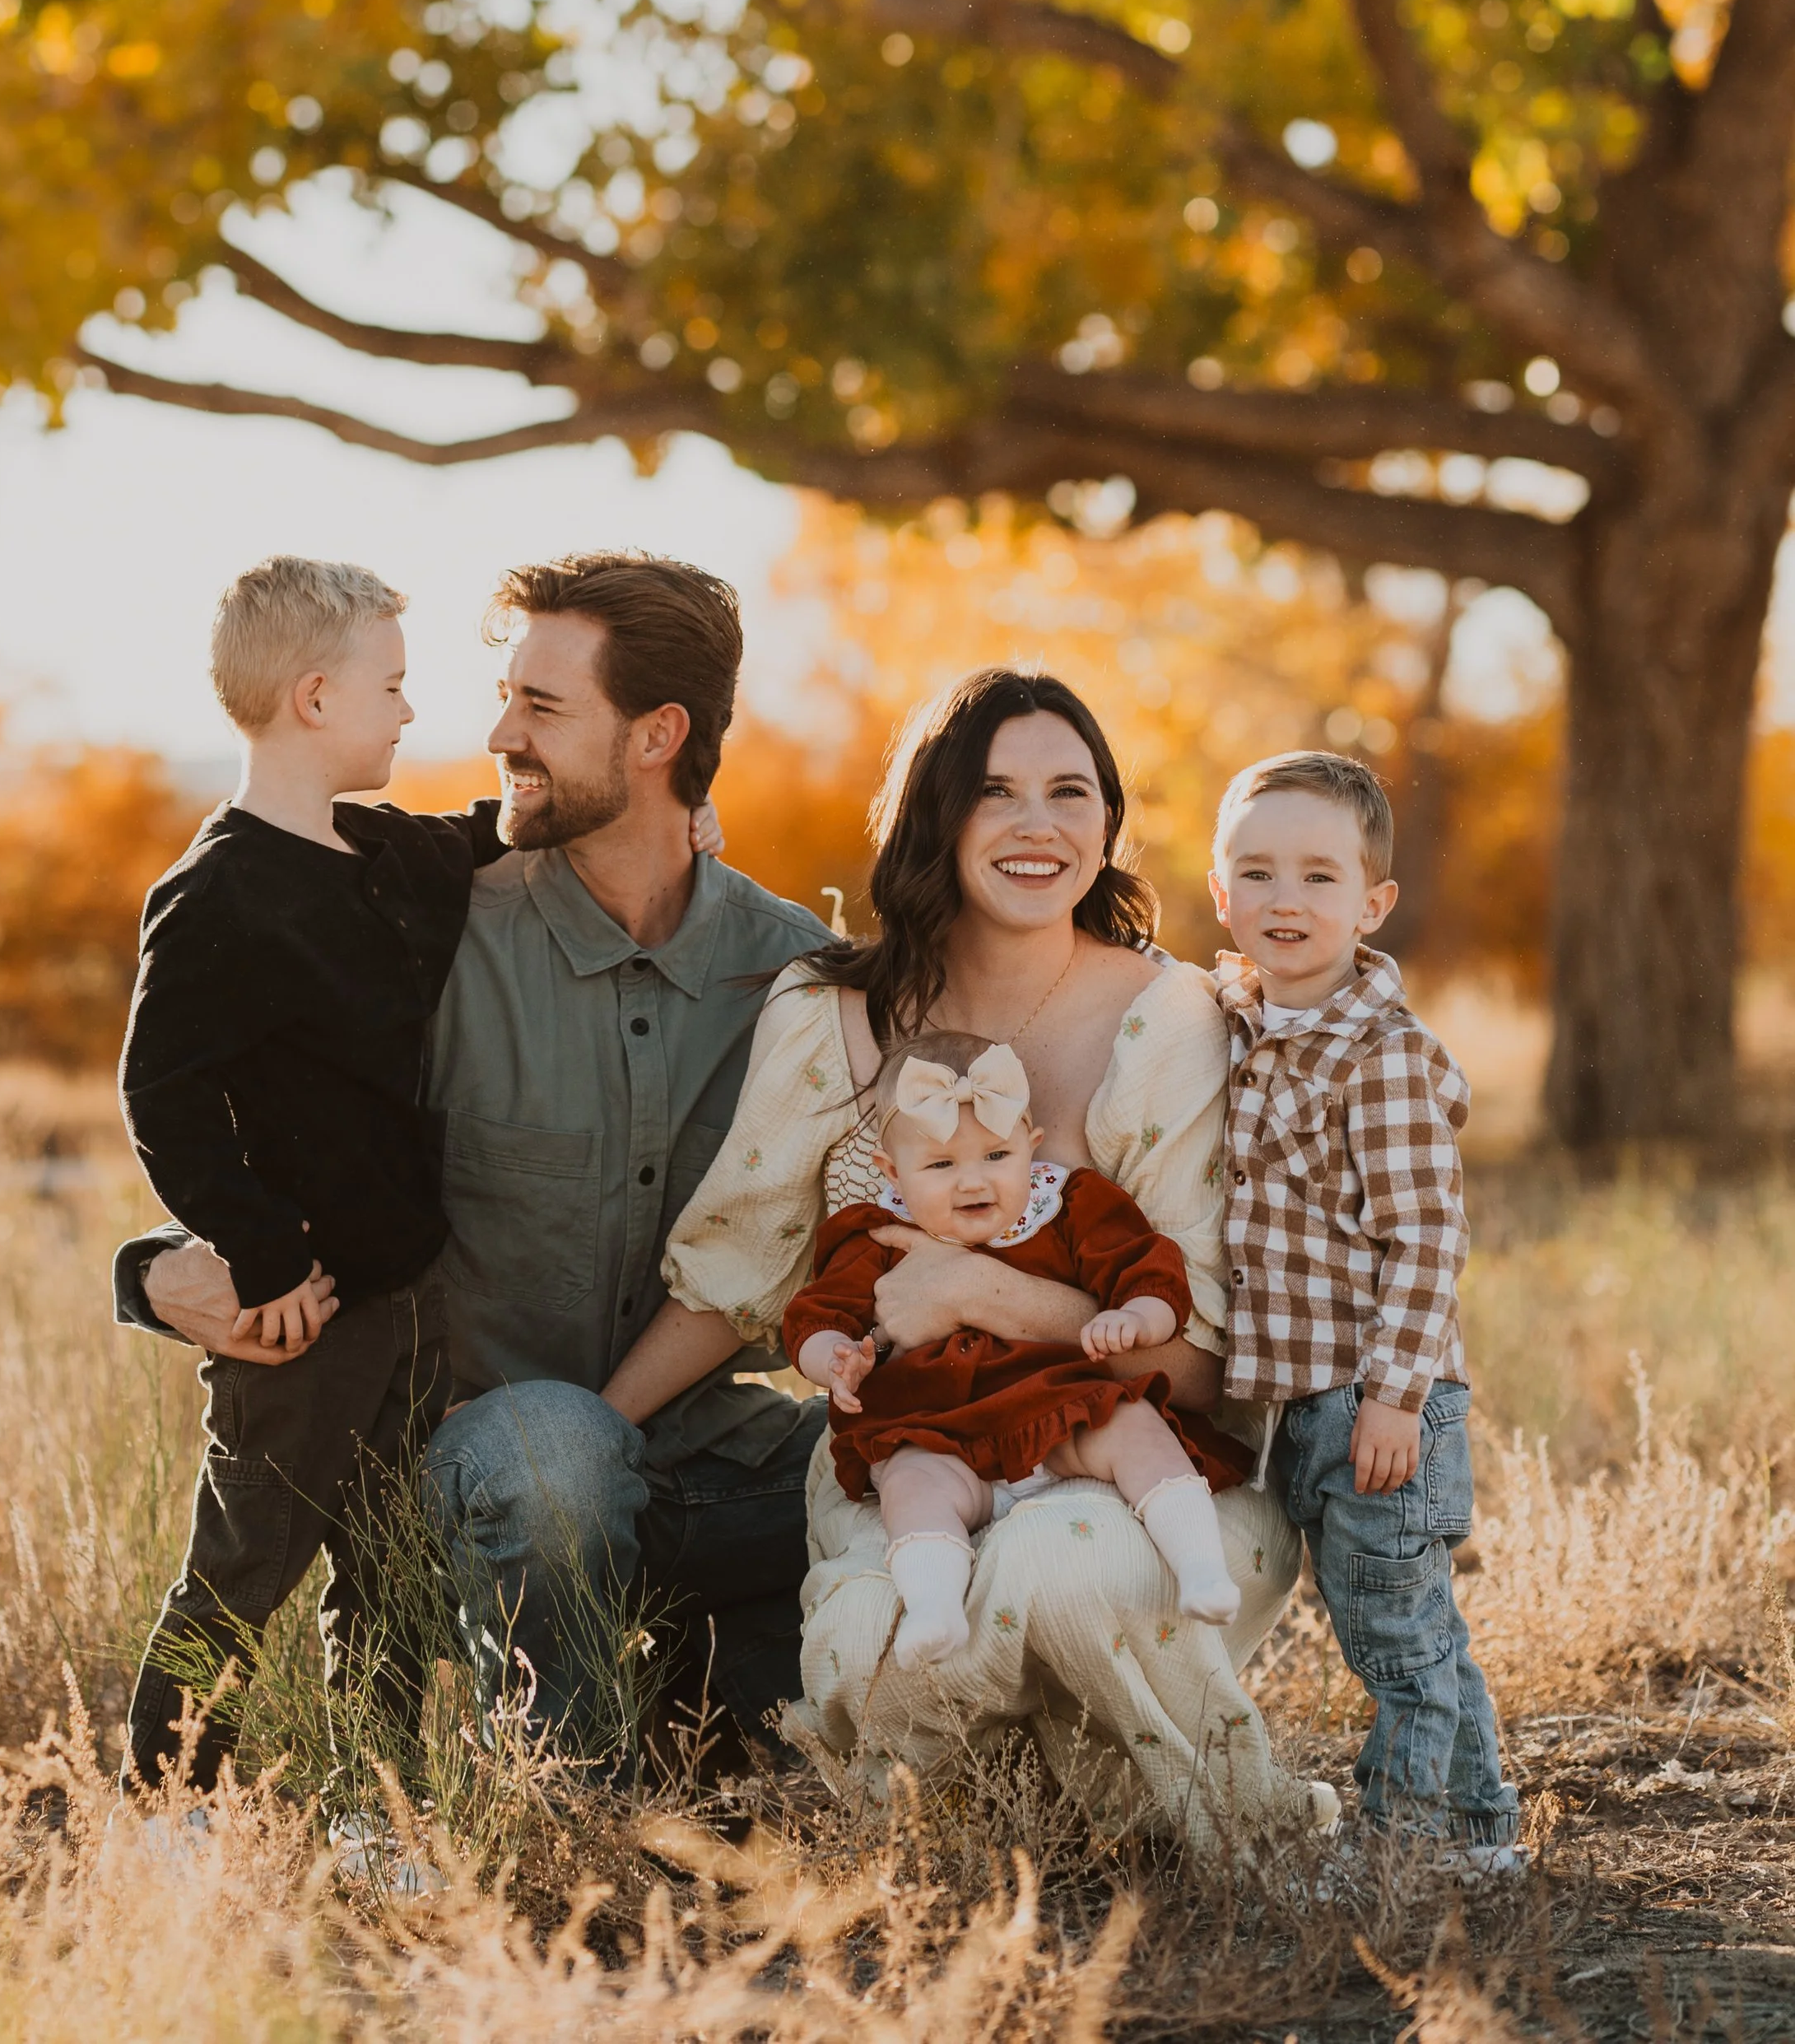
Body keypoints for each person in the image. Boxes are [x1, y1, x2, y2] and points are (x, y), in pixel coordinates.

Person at [604, 667, 1337, 1851]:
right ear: (933, 813)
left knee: (1059, 1563)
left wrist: (991, 1294)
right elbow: (733, 1275)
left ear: (1108, 820)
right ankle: (1032, 1803)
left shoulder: (1176, 1018)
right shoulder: (830, 1013)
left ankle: (1240, 1832)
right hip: (918, 1465)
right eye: (995, 791)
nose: (1037, 823)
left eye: (1070, 791)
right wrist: (599, 1436)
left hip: (1142, 1477)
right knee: (899, 1630)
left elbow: (1222, 1367)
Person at [114, 551, 826, 1759]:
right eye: (506, 693)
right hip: (477, 1464)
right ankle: (558, 1785)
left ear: (661, 736)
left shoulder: (794, 972)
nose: (495, 729)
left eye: (541, 707)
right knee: (525, 1473)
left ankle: (710, 1720)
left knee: (910, 1471)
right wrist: (155, 1271)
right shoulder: (422, 929)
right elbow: (243, 1108)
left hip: (694, 1453)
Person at [119, 554, 508, 1794]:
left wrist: (673, 813)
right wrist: (265, 1252)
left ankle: (372, 1813)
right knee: (242, 1573)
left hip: (412, 1302)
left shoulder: (386, 852)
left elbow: (494, 832)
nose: (408, 709)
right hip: (304, 1315)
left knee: (395, 1578)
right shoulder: (218, 889)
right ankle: (170, 1815)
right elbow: (161, 1096)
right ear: (315, 697)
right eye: (392, 686)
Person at [1209, 747, 1521, 1870]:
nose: (1284, 899)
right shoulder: (1244, 1016)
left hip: (1379, 1401)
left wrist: (1394, 1395)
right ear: (1219, 892)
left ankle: (1409, 1846)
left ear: (1373, 901)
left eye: (1319, 877)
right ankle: (1482, 1834)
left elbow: (1430, 1235)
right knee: (1401, 1629)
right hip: (1307, 1404)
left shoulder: (1378, 1056)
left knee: (1398, 1639)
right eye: (1256, 873)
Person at [784, 1031, 1248, 1665]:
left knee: (1135, 1423)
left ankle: (1200, 1569)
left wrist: (1140, 1316)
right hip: (937, 1431)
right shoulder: (876, 1237)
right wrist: (838, 1358)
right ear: (892, 1172)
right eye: (941, 1165)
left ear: (1030, 1145)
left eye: (996, 1155)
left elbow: (1143, 1265)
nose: (972, 1182)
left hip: (1060, 1411)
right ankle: (935, 1608)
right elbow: (815, 1320)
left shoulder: (1067, 1204)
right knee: (909, 1483)